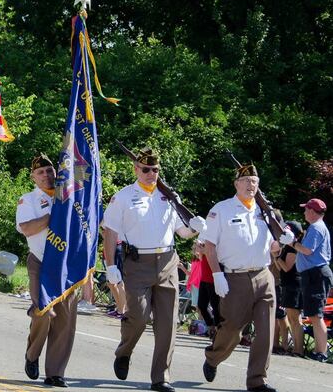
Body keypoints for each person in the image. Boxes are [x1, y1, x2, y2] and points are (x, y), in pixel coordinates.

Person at [103, 148, 204, 392]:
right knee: (137, 315)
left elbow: (182, 231)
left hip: (168, 261)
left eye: (155, 170)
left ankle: (161, 377)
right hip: (137, 263)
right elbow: (110, 232)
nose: (151, 174)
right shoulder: (124, 197)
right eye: (146, 169)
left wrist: (196, 228)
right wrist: (110, 266)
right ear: (136, 169)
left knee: (167, 323)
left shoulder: (169, 198)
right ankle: (124, 351)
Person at [199, 164, 289, 392]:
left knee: (266, 331)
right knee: (232, 331)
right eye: (247, 181)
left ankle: (257, 380)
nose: (252, 185)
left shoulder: (265, 212)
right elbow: (209, 246)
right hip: (234, 278)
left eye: (255, 182)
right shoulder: (222, 209)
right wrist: (217, 274)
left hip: (263, 275)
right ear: (236, 184)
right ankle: (213, 357)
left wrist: (282, 243)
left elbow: (272, 247)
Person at [16, 153, 78, 387]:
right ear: (33, 177)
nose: (46, 175)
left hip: (67, 265)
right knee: (43, 311)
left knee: (65, 320)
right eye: (40, 172)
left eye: (49, 171)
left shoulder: (70, 196)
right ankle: (32, 355)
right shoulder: (28, 200)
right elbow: (27, 228)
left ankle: (55, 372)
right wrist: (54, 216)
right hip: (41, 261)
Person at [289, 198, 331, 362]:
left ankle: (321, 352)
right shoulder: (317, 227)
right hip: (315, 273)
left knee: (315, 315)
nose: (304, 212)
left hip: (316, 273)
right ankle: (320, 351)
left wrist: (292, 243)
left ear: (313, 211)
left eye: (306, 209)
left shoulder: (315, 227)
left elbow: (307, 250)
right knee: (314, 314)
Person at [272, 220, 304, 356]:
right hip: (287, 284)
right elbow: (280, 268)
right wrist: (276, 257)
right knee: (291, 318)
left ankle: (298, 349)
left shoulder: (292, 248)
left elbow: (286, 267)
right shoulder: (286, 246)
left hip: (294, 284)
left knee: (295, 319)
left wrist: (277, 256)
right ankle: (295, 348)